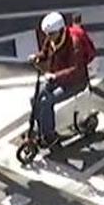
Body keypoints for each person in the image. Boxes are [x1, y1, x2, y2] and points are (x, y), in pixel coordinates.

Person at [27, 12, 95, 147]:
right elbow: (45, 53)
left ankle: (49, 135)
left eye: (51, 34)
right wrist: (37, 57)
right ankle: (40, 129)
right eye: (47, 34)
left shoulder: (74, 43)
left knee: (47, 101)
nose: (48, 37)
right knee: (34, 98)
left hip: (75, 82)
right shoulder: (52, 38)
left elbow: (75, 69)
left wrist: (55, 76)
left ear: (61, 30)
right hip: (56, 78)